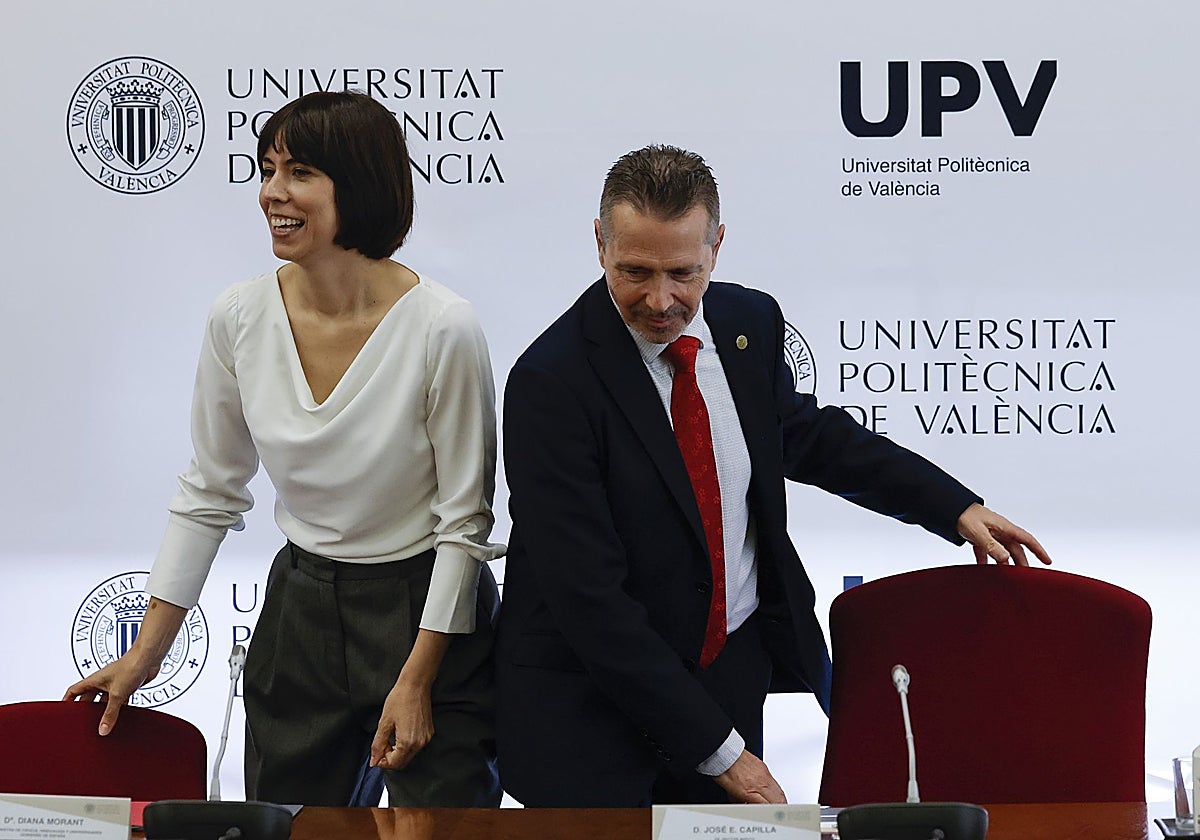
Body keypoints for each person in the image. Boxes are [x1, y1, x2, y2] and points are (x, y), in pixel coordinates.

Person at [495, 144, 1050, 807]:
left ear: (718, 247)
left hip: (728, 679)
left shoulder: (747, 323)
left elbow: (808, 436)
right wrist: (727, 754)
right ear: (599, 243)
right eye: (634, 271)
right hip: (592, 725)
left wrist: (950, 506)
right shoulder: (550, 384)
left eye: (683, 272)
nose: (661, 299)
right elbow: (590, 603)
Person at [64, 91, 504, 808]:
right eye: (267, 168)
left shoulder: (443, 328)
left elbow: (466, 527)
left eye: (299, 171)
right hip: (300, 612)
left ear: (357, 185)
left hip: (429, 616)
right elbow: (210, 490)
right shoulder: (238, 316)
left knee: (446, 827)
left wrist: (417, 679)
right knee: (289, 828)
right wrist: (146, 655)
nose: (272, 192)